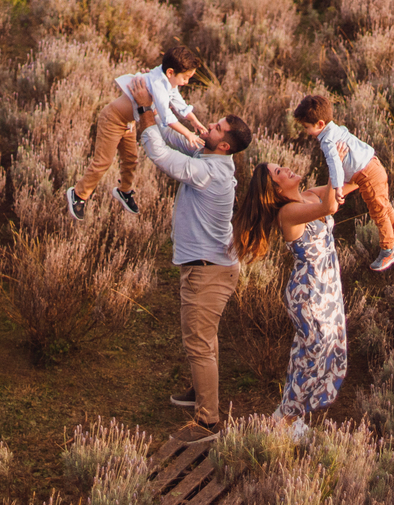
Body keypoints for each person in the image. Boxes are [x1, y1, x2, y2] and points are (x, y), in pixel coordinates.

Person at [130, 76, 253, 445]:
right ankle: (202, 390)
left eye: (216, 128)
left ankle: (208, 422)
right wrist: (156, 110)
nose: (209, 125)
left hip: (208, 272)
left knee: (199, 343)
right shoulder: (207, 153)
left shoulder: (211, 172)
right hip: (207, 267)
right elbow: (170, 138)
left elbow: (163, 158)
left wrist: (145, 110)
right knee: (204, 339)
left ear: (225, 144)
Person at [231, 161, 348, 441]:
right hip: (308, 293)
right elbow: (329, 207)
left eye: (282, 166)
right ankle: (284, 420)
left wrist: (366, 172)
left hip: (327, 288)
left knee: (320, 353)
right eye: (280, 173)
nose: (287, 169)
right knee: (312, 357)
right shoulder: (288, 213)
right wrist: (333, 159)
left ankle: (288, 417)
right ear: (276, 189)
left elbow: (345, 187)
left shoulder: (309, 194)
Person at [67, 46, 208, 220]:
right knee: (103, 161)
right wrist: (188, 134)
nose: (186, 82)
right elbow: (166, 116)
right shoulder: (158, 84)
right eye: (185, 78)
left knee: (131, 160)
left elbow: (178, 103)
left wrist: (194, 120)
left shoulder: (166, 81)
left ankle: (124, 191)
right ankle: (79, 194)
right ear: (171, 72)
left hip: (129, 123)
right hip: (113, 120)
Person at [293, 94, 394, 271]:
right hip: (374, 166)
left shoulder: (327, 141)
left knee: (378, 211)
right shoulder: (337, 129)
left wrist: (338, 188)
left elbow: (335, 165)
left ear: (319, 124)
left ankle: (388, 248)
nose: (306, 131)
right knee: (384, 206)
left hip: (366, 175)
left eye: (307, 127)